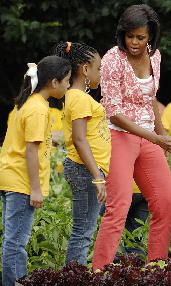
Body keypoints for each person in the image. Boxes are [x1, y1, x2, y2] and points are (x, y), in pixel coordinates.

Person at [92, 4, 171, 270]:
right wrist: (156, 139)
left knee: (166, 206)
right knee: (118, 209)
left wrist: (161, 133)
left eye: (140, 37)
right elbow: (114, 113)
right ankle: (100, 273)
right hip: (120, 134)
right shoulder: (112, 60)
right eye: (129, 35)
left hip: (149, 138)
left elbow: (150, 97)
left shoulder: (155, 57)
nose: (134, 42)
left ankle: (157, 269)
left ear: (151, 37)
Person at [0, 56, 71, 286]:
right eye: (67, 81)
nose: (68, 86)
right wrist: (36, 189)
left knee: (12, 241)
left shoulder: (27, 103)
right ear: (53, 82)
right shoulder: (39, 110)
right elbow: (31, 152)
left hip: (10, 178)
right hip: (21, 182)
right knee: (16, 243)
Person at [52, 41, 111, 266]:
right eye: (98, 69)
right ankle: (74, 278)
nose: (101, 75)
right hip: (85, 170)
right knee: (83, 231)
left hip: (86, 170)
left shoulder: (80, 98)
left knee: (85, 229)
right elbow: (79, 139)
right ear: (85, 70)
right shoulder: (78, 98)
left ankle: (74, 276)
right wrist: (97, 176)